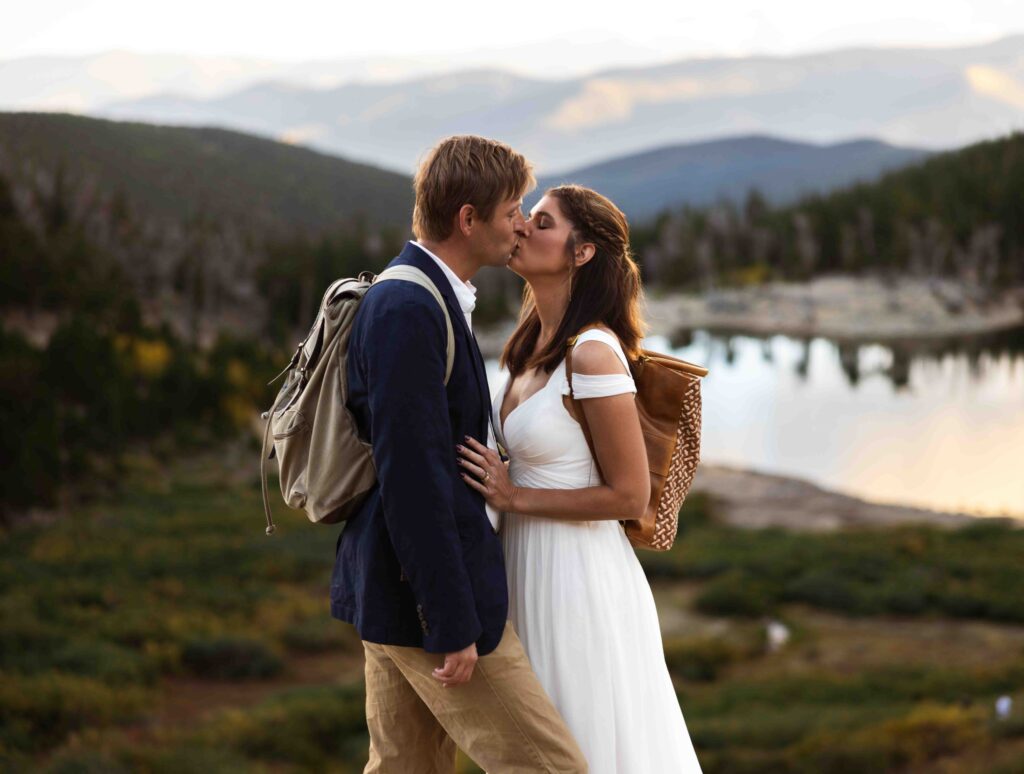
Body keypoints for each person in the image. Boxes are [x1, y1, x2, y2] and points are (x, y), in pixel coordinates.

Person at [331, 136, 587, 773]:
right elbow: (412, 479)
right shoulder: (409, 308)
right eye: (511, 212)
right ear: (467, 219)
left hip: (392, 592)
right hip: (425, 603)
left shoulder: (422, 294)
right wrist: (449, 620)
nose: (521, 225)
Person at [457, 184, 704, 773]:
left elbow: (630, 494)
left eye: (542, 222)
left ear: (582, 252)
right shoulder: (525, 347)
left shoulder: (593, 352)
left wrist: (514, 493)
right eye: (525, 217)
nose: (522, 228)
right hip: (522, 569)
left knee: (582, 746)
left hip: (577, 583)